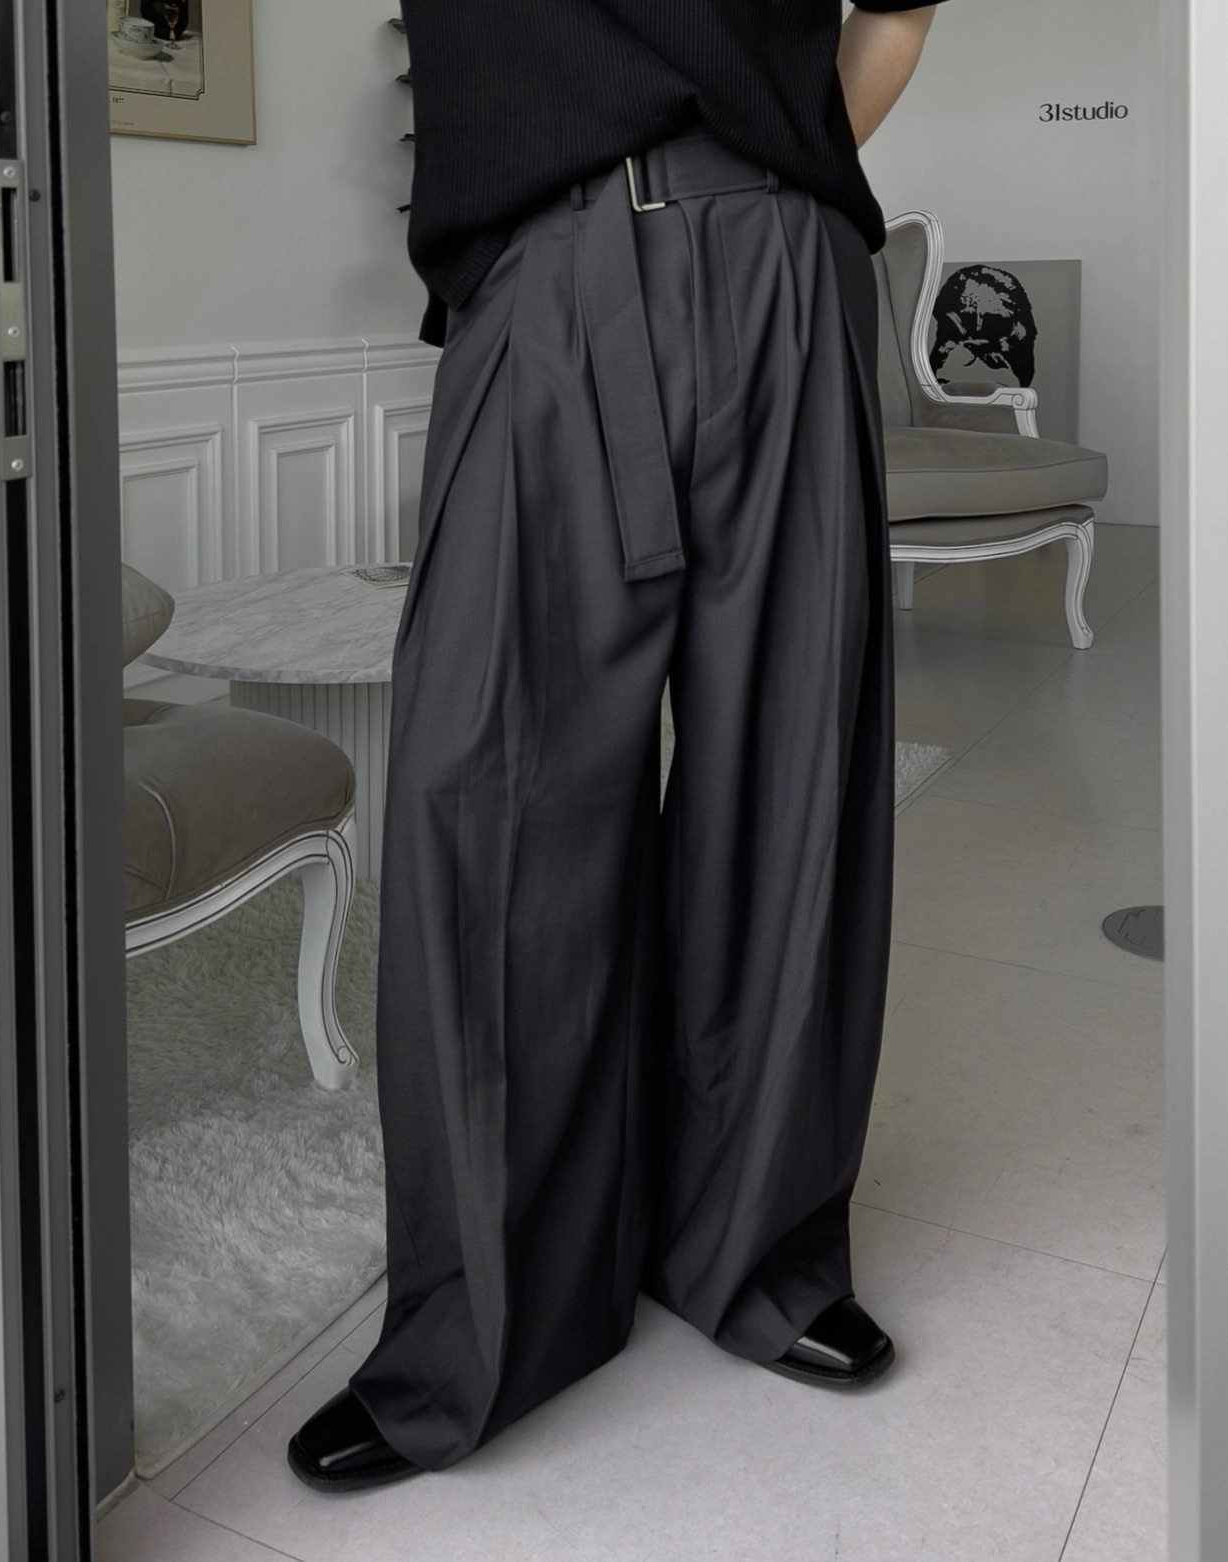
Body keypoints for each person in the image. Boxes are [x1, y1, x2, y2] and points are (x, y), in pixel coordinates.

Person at [288, 0, 946, 1495]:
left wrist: (773, 168)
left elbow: (899, 9)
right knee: (482, 785)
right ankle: (483, 1317)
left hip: (779, 262)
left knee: (787, 772)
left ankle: (755, 1248)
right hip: (542, 274)